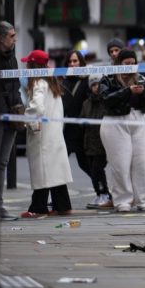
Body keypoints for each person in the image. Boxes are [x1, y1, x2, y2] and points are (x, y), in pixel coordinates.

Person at [99, 48, 145, 212]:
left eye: (133, 63)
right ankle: (123, 200)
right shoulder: (108, 78)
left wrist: (143, 92)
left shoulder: (143, 77)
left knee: (142, 162)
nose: (130, 67)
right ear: (119, 64)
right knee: (120, 163)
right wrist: (127, 91)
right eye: (126, 64)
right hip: (115, 121)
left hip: (139, 119)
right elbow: (105, 100)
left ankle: (143, 199)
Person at [19, 50, 73, 218]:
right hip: (54, 133)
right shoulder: (52, 82)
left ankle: (38, 207)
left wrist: (27, 118)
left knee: (41, 170)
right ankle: (62, 205)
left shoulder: (38, 83)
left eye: (28, 63)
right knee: (55, 170)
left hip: (41, 133)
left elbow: (37, 107)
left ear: (33, 65)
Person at [0, 21, 24, 221]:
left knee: (3, 161)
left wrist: (19, 109)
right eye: (12, 36)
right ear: (0, 38)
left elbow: (15, 86)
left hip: (11, 116)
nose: (15, 39)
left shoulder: (12, 58)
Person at [60, 50, 93, 205]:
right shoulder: (63, 82)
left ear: (81, 63)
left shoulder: (87, 81)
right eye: (70, 62)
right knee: (59, 163)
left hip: (82, 129)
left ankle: (104, 192)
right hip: (66, 129)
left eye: (75, 61)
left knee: (85, 163)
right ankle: (59, 199)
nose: (73, 64)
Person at [80, 74, 113, 209]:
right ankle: (99, 193)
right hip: (89, 142)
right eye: (93, 85)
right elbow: (81, 118)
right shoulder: (86, 103)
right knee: (93, 171)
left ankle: (104, 193)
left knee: (98, 169)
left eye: (98, 84)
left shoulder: (105, 101)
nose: (96, 87)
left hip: (102, 142)